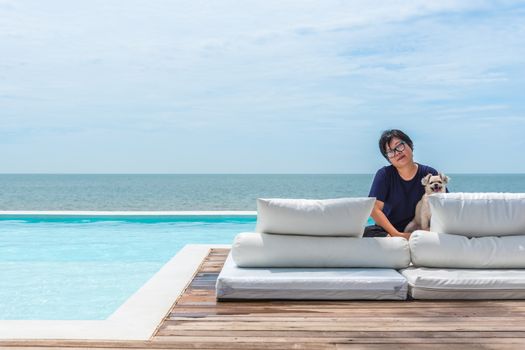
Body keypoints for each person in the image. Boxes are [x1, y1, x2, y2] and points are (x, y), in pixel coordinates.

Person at [364, 129, 441, 239]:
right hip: (390, 231)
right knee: (367, 231)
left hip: (420, 230)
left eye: (399, 146)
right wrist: (397, 235)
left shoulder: (429, 174)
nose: (397, 153)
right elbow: (374, 209)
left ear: (410, 145)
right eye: (390, 152)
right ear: (388, 159)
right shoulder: (384, 175)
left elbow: (443, 205)